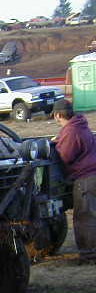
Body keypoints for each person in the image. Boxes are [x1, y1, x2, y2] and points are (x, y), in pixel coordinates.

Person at [52, 99, 96, 262]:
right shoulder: (81, 126)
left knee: (84, 218)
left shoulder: (71, 131)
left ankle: (89, 255)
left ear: (58, 115)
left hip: (85, 180)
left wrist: (55, 145)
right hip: (93, 175)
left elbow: (65, 156)